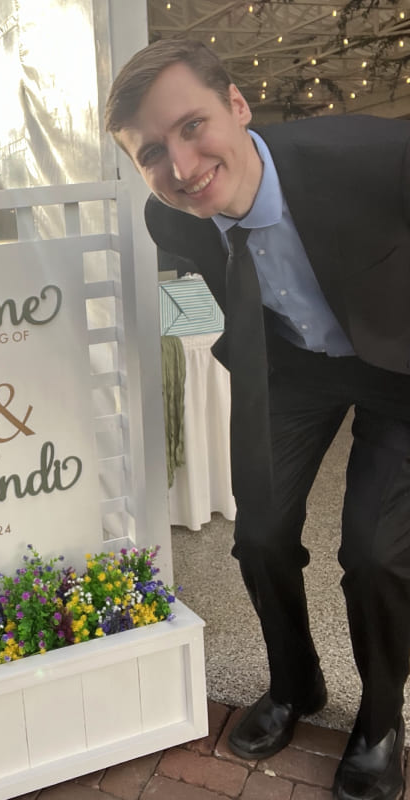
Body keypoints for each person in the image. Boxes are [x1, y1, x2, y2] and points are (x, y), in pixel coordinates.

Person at [105, 38, 410, 800]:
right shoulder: (168, 219)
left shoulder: (375, 157)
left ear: (238, 106)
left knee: (375, 552)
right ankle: (294, 682)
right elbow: (219, 281)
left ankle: (379, 720)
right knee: (260, 535)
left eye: (191, 126)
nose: (180, 166)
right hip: (293, 368)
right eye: (150, 153)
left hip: (399, 366)